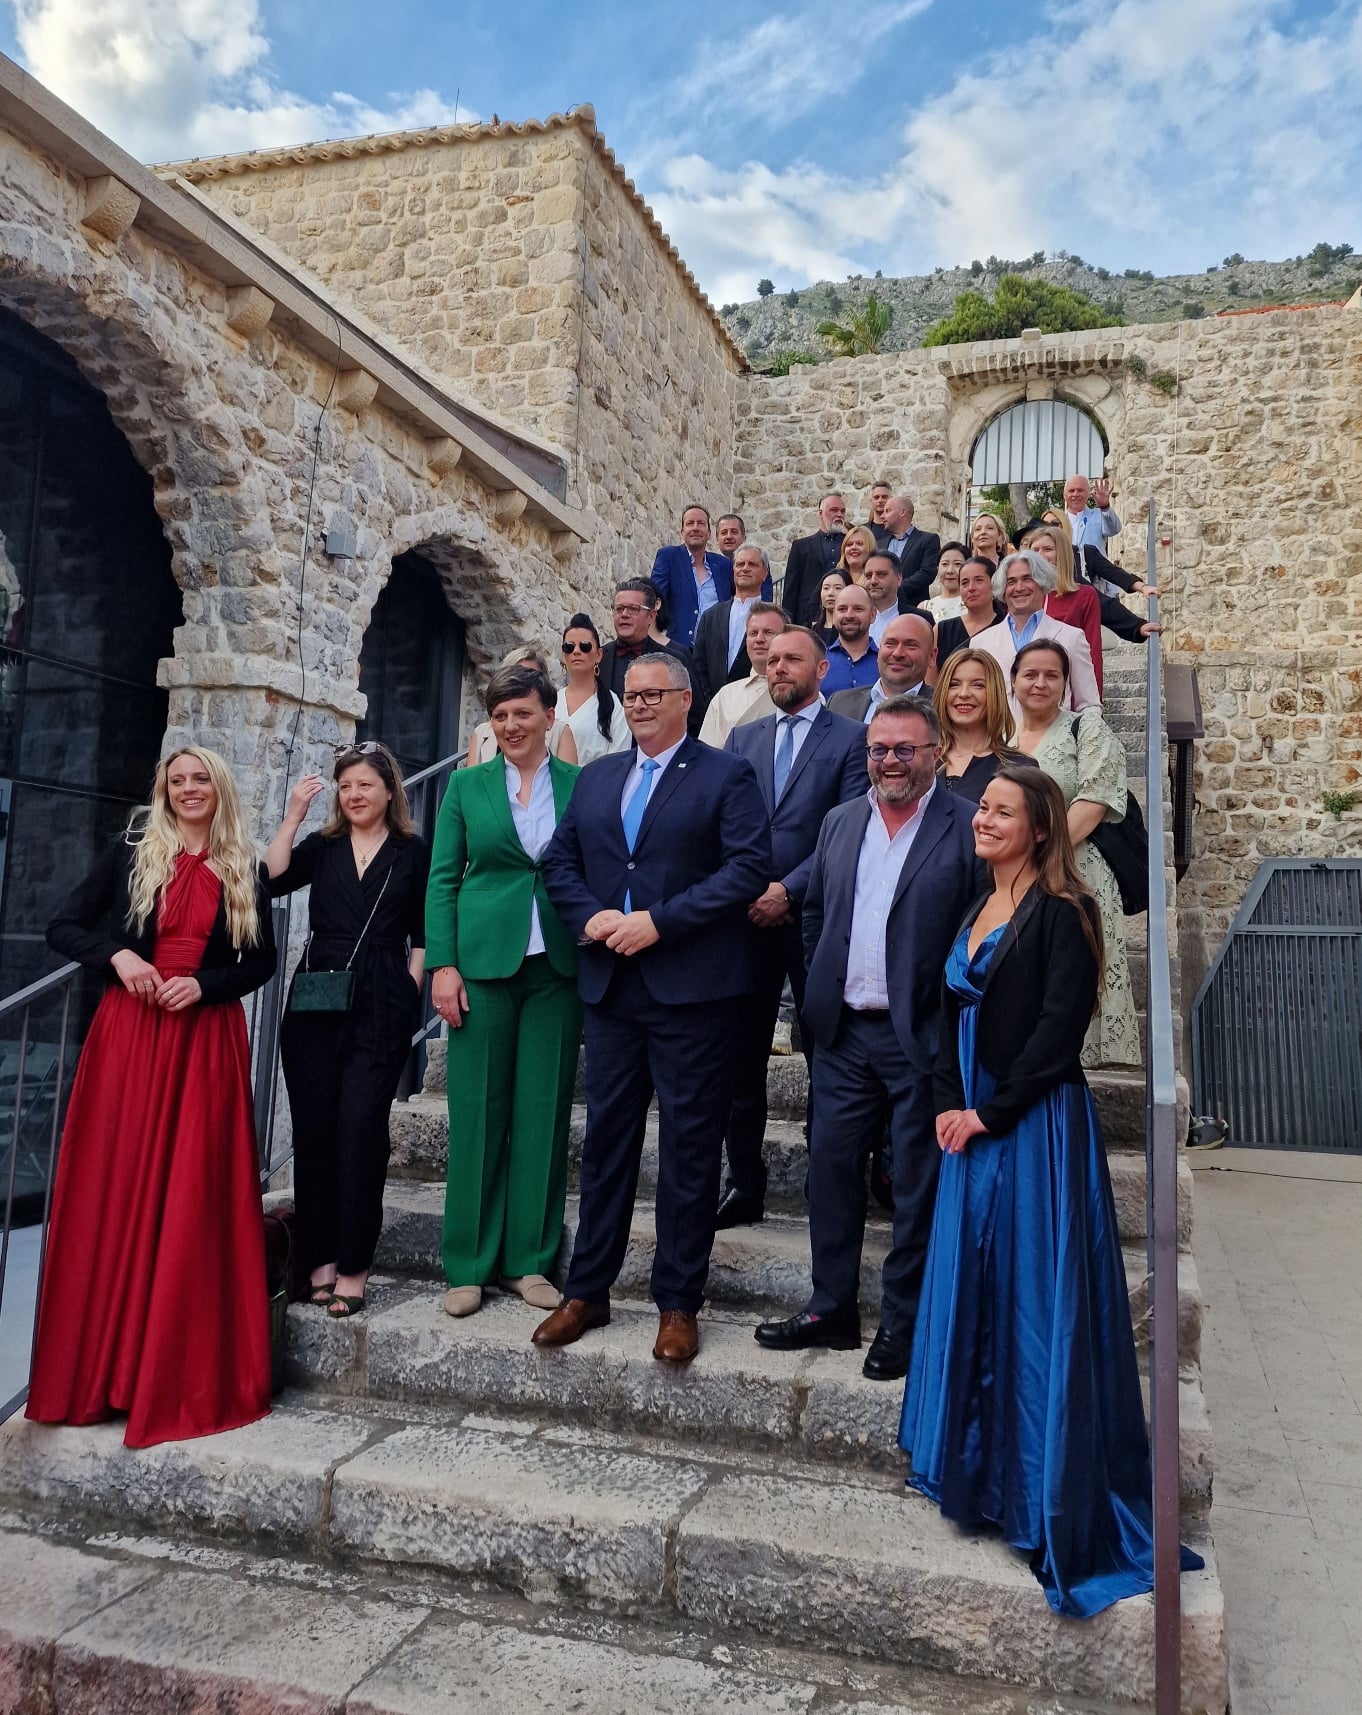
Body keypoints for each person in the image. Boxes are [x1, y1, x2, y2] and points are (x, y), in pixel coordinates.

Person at [901, 765, 1199, 1616]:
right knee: (976, 1291)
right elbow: (945, 1015)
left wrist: (988, 1112)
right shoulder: (976, 903)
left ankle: (1039, 1489)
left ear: (1040, 828)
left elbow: (1057, 1032)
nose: (982, 819)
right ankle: (976, 1468)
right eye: (982, 809)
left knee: (1034, 1306)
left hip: (1031, 1129)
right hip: (968, 1125)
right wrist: (948, 1103)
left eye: (1001, 811)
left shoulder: (1067, 911)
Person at [28, 747, 277, 1447]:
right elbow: (62, 925)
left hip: (204, 1042)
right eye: (177, 780)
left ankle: (166, 1375)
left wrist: (205, 984)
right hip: (130, 1038)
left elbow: (262, 961)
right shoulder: (131, 851)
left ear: (218, 789)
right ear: (164, 789)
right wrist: (119, 955)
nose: (189, 789)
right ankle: (101, 1373)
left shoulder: (244, 865)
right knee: (117, 1185)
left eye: (200, 780)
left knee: (192, 1193)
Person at [536, 654, 771, 1363]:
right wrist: (592, 917)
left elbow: (746, 869)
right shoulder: (599, 776)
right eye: (630, 695)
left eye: (652, 694)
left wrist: (659, 923)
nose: (637, 704)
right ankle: (588, 1290)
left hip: (693, 991)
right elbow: (559, 862)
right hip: (612, 987)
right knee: (606, 1144)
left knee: (689, 1150)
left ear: (685, 700)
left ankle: (677, 1302)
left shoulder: (726, 774)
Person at [755, 697, 985, 1380]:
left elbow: (979, 932)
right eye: (879, 749)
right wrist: (820, 989)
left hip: (921, 1036)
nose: (890, 761)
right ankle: (831, 1308)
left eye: (905, 749)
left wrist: (950, 1022)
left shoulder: (966, 826)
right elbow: (816, 912)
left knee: (915, 1183)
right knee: (830, 1172)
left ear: (936, 754)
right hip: (844, 1032)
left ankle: (904, 1323)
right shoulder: (841, 819)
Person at [426, 666, 583, 1319]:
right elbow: (442, 878)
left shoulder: (581, 784)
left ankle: (529, 1261)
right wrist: (443, 964)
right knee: (476, 1115)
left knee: (543, 1114)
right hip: (482, 965)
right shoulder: (467, 786)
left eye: (523, 713)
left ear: (549, 716)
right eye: (500, 716)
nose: (512, 725)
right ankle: (467, 1264)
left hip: (558, 967)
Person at [267, 740, 430, 1318]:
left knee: (361, 1130)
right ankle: (320, 1259)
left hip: (382, 998)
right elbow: (271, 878)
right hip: (317, 997)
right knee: (314, 1133)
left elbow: (424, 931)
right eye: (345, 786)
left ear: (389, 790)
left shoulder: (412, 850)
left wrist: (410, 986)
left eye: (365, 784)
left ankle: (355, 1266)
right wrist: (293, 814)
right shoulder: (324, 845)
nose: (355, 794)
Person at [718, 628, 868, 1226]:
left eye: (792, 659)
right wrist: (751, 888)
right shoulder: (743, 737)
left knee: (824, 1055)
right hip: (747, 920)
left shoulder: (852, 738)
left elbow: (848, 827)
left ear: (821, 669)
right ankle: (743, 1182)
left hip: (816, 920)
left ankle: (824, 1178)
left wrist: (787, 889)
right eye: (772, 659)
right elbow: (728, 823)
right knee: (741, 1057)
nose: (778, 667)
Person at [1010, 640, 1141, 1066]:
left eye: (1052, 675)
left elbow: (1094, 801)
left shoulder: (1088, 730)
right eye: (1030, 674)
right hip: (1013, 875)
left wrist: (1037, 857)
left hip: (1077, 869)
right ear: (1013, 681)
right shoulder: (1001, 736)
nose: (1040, 683)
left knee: (1078, 965)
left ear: (1066, 684)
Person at [974, 550, 1101, 716]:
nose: (1019, 588)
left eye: (1028, 579)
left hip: (1054, 731)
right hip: (999, 733)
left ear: (1042, 582)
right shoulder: (980, 643)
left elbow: (1089, 705)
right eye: (1011, 582)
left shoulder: (1071, 637)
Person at [1038, 507, 1162, 644]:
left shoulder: (1084, 554)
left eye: (1055, 523)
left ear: (1065, 525)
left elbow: (1113, 574)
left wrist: (1143, 588)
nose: (1049, 529)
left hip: (1079, 630)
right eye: (1044, 525)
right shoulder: (1033, 564)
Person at [932, 647, 1034, 803]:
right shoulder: (920, 759)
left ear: (995, 693)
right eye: (954, 684)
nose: (964, 693)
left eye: (978, 685)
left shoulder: (1020, 767)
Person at [1026, 522, 1104, 695]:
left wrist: (1093, 701)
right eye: (1035, 550)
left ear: (1061, 553)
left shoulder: (1084, 595)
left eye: (1047, 549)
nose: (1040, 555)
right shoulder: (1023, 597)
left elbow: (1092, 651)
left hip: (1068, 688)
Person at [691, 544, 771, 707]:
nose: (745, 569)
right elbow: (699, 665)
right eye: (740, 564)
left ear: (765, 573)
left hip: (757, 706)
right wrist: (711, 703)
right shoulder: (711, 617)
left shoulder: (776, 619)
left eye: (752, 564)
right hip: (714, 707)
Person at [698, 602, 786, 746]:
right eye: (753, 633)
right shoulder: (725, 696)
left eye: (768, 632)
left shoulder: (801, 693)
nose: (759, 639)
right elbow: (708, 753)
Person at [649, 504, 733, 652]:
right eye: (690, 523)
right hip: (679, 649)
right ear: (682, 532)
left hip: (716, 650)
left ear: (709, 533)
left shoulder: (724, 565)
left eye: (701, 523)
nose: (695, 528)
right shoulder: (669, 557)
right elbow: (654, 599)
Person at [467, 645, 570, 765]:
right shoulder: (481, 733)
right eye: (515, 676)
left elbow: (566, 774)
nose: (523, 683)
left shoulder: (560, 732)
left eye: (531, 676)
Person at [829, 610, 936, 723]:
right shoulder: (839, 704)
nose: (897, 653)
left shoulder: (943, 707)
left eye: (911, 645)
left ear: (932, 657)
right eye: (890, 643)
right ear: (879, 650)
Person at [598, 579, 695, 701]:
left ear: (651, 616)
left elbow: (693, 710)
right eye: (619, 608)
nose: (624, 614)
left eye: (633, 608)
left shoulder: (674, 659)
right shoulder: (597, 659)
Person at [556, 613, 631, 765]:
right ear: (564, 655)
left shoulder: (613, 706)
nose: (576, 651)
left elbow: (618, 763)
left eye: (585, 646)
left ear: (598, 655)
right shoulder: (552, 701)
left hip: (597, 779)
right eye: (569, 647)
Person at [781, 492, 848, 627]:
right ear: (820, 514)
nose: (839, 514)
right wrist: (787, 624)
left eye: (842, 511)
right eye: (834, 510)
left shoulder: (850, 545)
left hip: (844, 615)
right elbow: (790, 590)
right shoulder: (801, 546)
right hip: (807, 618)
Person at [933, 556, 1005, 662]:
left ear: (994, 584)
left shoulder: (1006, 626)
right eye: (965, 583)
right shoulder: (942, 630)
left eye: (979, 580)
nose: (971, 588)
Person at [882, 495, 940, 607]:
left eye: (887, 511)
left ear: (902, 512)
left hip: (913, 607)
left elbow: (927, 573)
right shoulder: (881, 544)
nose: (882, 516)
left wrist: (894, 589)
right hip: (883, 609)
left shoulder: (927, 540)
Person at [822, 583, 879, 696]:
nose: (849, 615)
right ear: (834, 616)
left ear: (872, 615)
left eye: (858, 609)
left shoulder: (887, 664)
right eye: (842, 609)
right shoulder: (819, 662)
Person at [1063, 472, 1121, 551]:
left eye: (1080, 490)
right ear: (1064, 495)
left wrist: (1105, 507)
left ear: (1088, 493)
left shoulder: (1099, 515)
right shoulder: (1058, 520)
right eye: (1071, 491)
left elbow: (1114, 530)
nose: (1075, 494)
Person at [860, 549, 903, 645]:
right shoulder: (850, 618)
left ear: (898, 579)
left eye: (881, 575)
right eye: (868, 576)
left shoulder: (918, 618)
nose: (873, 581)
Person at [923, 541, 966, 623]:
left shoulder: (977, 604)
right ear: (937, 568)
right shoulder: (925, 607)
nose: (950, 571)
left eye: (957, 564)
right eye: (945, 564)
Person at [815, 568, 851, 643]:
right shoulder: (812, 632)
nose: (830, 593)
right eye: (826, 588)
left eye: (837, 588)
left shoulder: (852, 630)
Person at [866, 480, 893, 547]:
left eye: (884, 497)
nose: (880, 500)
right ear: (871, 501)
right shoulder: (863, 530)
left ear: (891, 499)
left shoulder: (898, 529)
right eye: (876, 497)